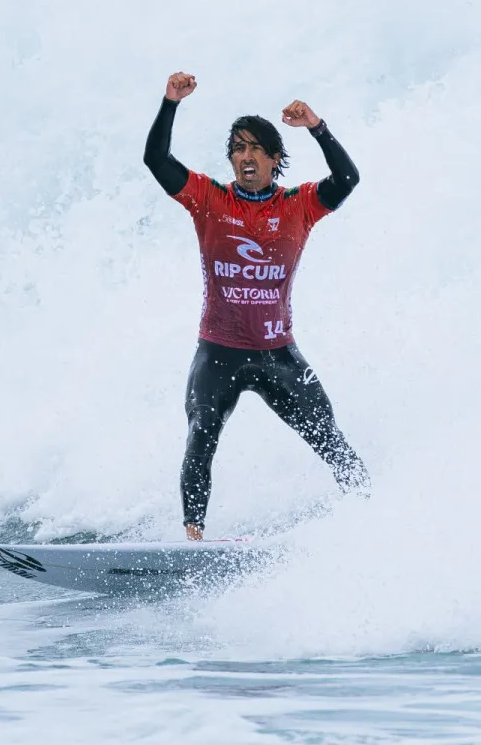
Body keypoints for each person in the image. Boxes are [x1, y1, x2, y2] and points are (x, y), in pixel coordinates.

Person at [143, 71, 370, 541]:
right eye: (237, 149)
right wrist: (170, 103)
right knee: (201, 433)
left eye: (255, 149)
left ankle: (372, 512)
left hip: (278, 354)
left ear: (274, 158)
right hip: (218, 352)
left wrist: (317, 127)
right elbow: (156, 159)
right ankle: (194, 540)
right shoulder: (208, 199)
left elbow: (348, 179)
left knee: (328, 438)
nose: (245, 156)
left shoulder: (299, 205)